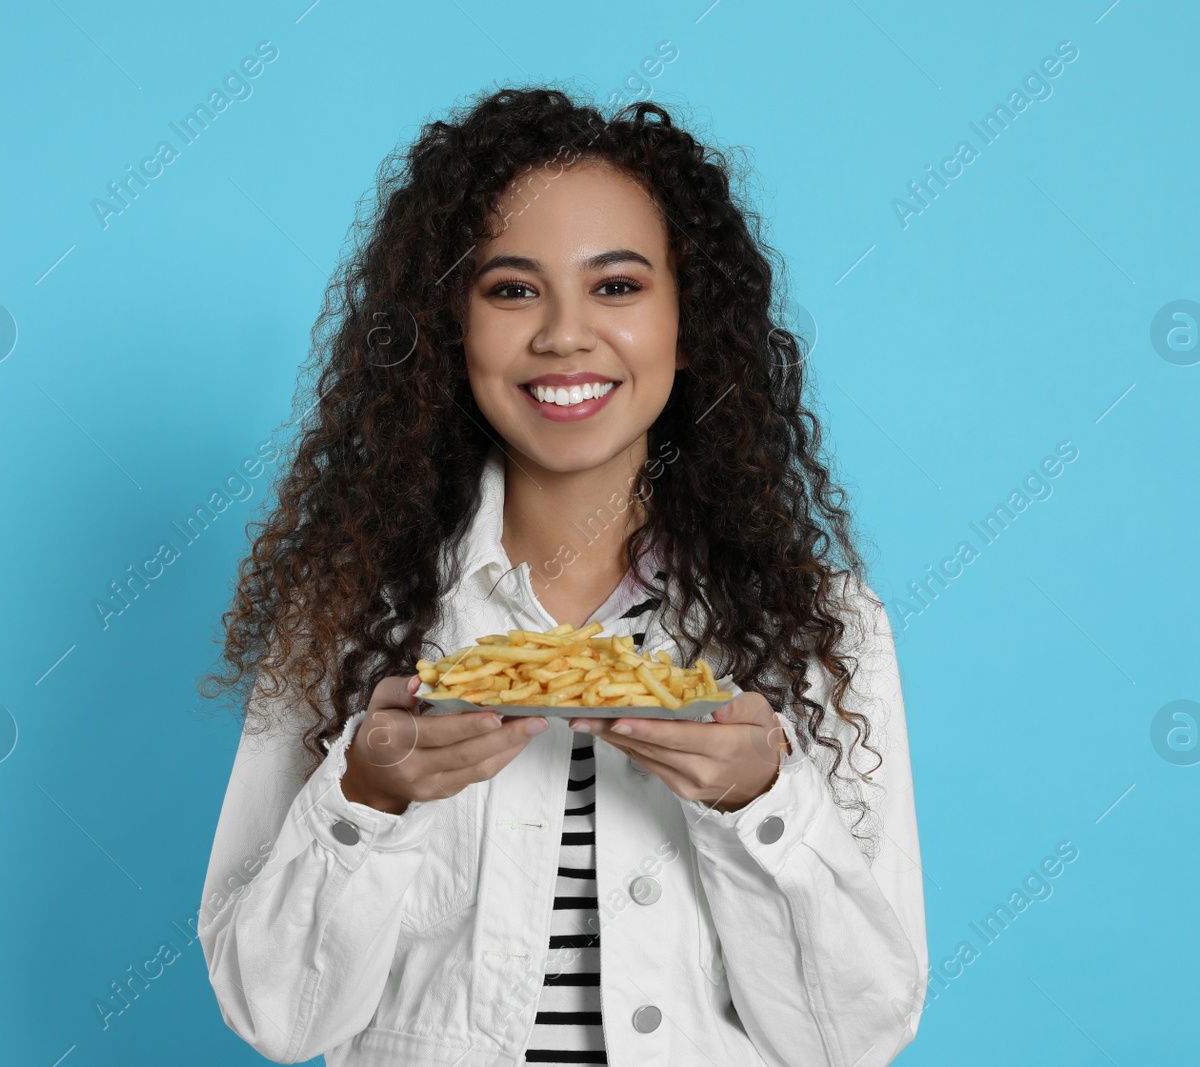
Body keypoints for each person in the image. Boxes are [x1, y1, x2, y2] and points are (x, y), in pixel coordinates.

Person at [197, 85, 926, 1066]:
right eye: (511, 289)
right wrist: (366, 794)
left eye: (616, 286)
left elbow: (855, 1037)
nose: (563, 334)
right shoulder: (343, 608)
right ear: (450, 325)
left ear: (687, 319)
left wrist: (760, 800)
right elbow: (276, 1017)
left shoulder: (823, 626)